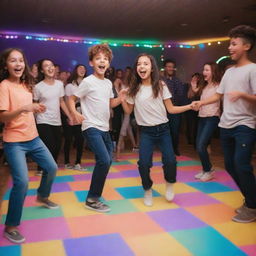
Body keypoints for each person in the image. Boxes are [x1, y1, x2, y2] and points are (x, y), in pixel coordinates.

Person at [192, 25, 256, 223]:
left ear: (247, 46)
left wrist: (243, 94)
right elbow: (218, 96)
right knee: (229, 165)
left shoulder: (252, 69)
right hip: (225, 125)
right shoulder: (228, 73)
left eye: (234, 44)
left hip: (245, 125)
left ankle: (253, 206)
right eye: (230, 43)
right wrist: (201, 102)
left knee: (241, 164)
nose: (230, 47)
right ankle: (250, 199)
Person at [0, 48, 58, 243]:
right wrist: (25, 108)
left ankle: (42, 195)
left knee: (51, 168)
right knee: (22, 182)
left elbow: (28, 110)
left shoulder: (26, 85)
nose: (18, 64)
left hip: (33, 138)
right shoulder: (4, 86)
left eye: (20, 61)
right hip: (14, 141)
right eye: (12, 61)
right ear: (6, 65)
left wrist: (36, 108)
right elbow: (2, 116)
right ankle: (11, 226)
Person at [121, 53, 192, 206]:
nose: (142, 66)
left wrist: (189, 106)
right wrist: (121, 98)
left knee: (170, 161)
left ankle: (170, 184)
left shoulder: (160, 85)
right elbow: (128, 111)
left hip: (163, 130)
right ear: (136, 68)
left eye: (145, 64)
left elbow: (171, 109)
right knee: (144, 164)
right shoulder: (134, 89)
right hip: (146, 132)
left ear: (152, 68)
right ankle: (147, 189)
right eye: (139, 64)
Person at [68, 44, 125, 213]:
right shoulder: (87, 82)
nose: (102, 61)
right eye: (98, 58)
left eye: (105, 59)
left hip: (104, 128)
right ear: (91, 63)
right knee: (104, 160)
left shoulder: (108, 83)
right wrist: (74, 114)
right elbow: (71, 99)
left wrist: (120, 98)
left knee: (106, 162)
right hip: (90, 126)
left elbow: (109, 104)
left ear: (108, 64)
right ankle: (92, 199)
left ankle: (94, 197)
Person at [34, 59, 72, 175]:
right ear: (42, 70)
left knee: (57, 146)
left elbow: (61, 102)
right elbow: (35, 104)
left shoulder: (60, 84)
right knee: (48, 145)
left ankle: (51, 166)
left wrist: (69, 116)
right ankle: (41, 168)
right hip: (43, 120)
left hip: (56, 120)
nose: (50, 67)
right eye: (46, 66)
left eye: (51, 65)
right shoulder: (38, 87)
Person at [194, 63, 222, 181]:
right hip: (202, 117)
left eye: (207, 70)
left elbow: (216, 98)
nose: (204, 72)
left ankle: (208, 170)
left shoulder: (218, 85)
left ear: (213, 71)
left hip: (212, 117)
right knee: (199, 145)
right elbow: (201, 101)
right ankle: (206, 169)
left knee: (201, 145)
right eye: (203, 69)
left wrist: (201, 103)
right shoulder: (205, 86)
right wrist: (197, 106)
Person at [63, 64, 87, 171]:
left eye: (84, 69)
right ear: (75, 71)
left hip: (81, 116)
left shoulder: (87, 85)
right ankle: (67, 162)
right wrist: (70, 117)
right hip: (71, 116)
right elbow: (68, 102)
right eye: (80, 68)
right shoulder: (70, 86)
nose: (82, 70)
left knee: (80, 140)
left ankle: (78, 163)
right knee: (68, 139)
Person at [162, 59, 186, 156]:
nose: (170, 68)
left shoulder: (177, 80)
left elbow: (180, 95)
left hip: (175, 109)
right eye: (168, 66)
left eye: (172, 67)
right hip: (163, 110)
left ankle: (174, 148)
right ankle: (166, 149)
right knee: (165, 130)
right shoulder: (161, 80)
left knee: (175, 131)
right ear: (165, 68)